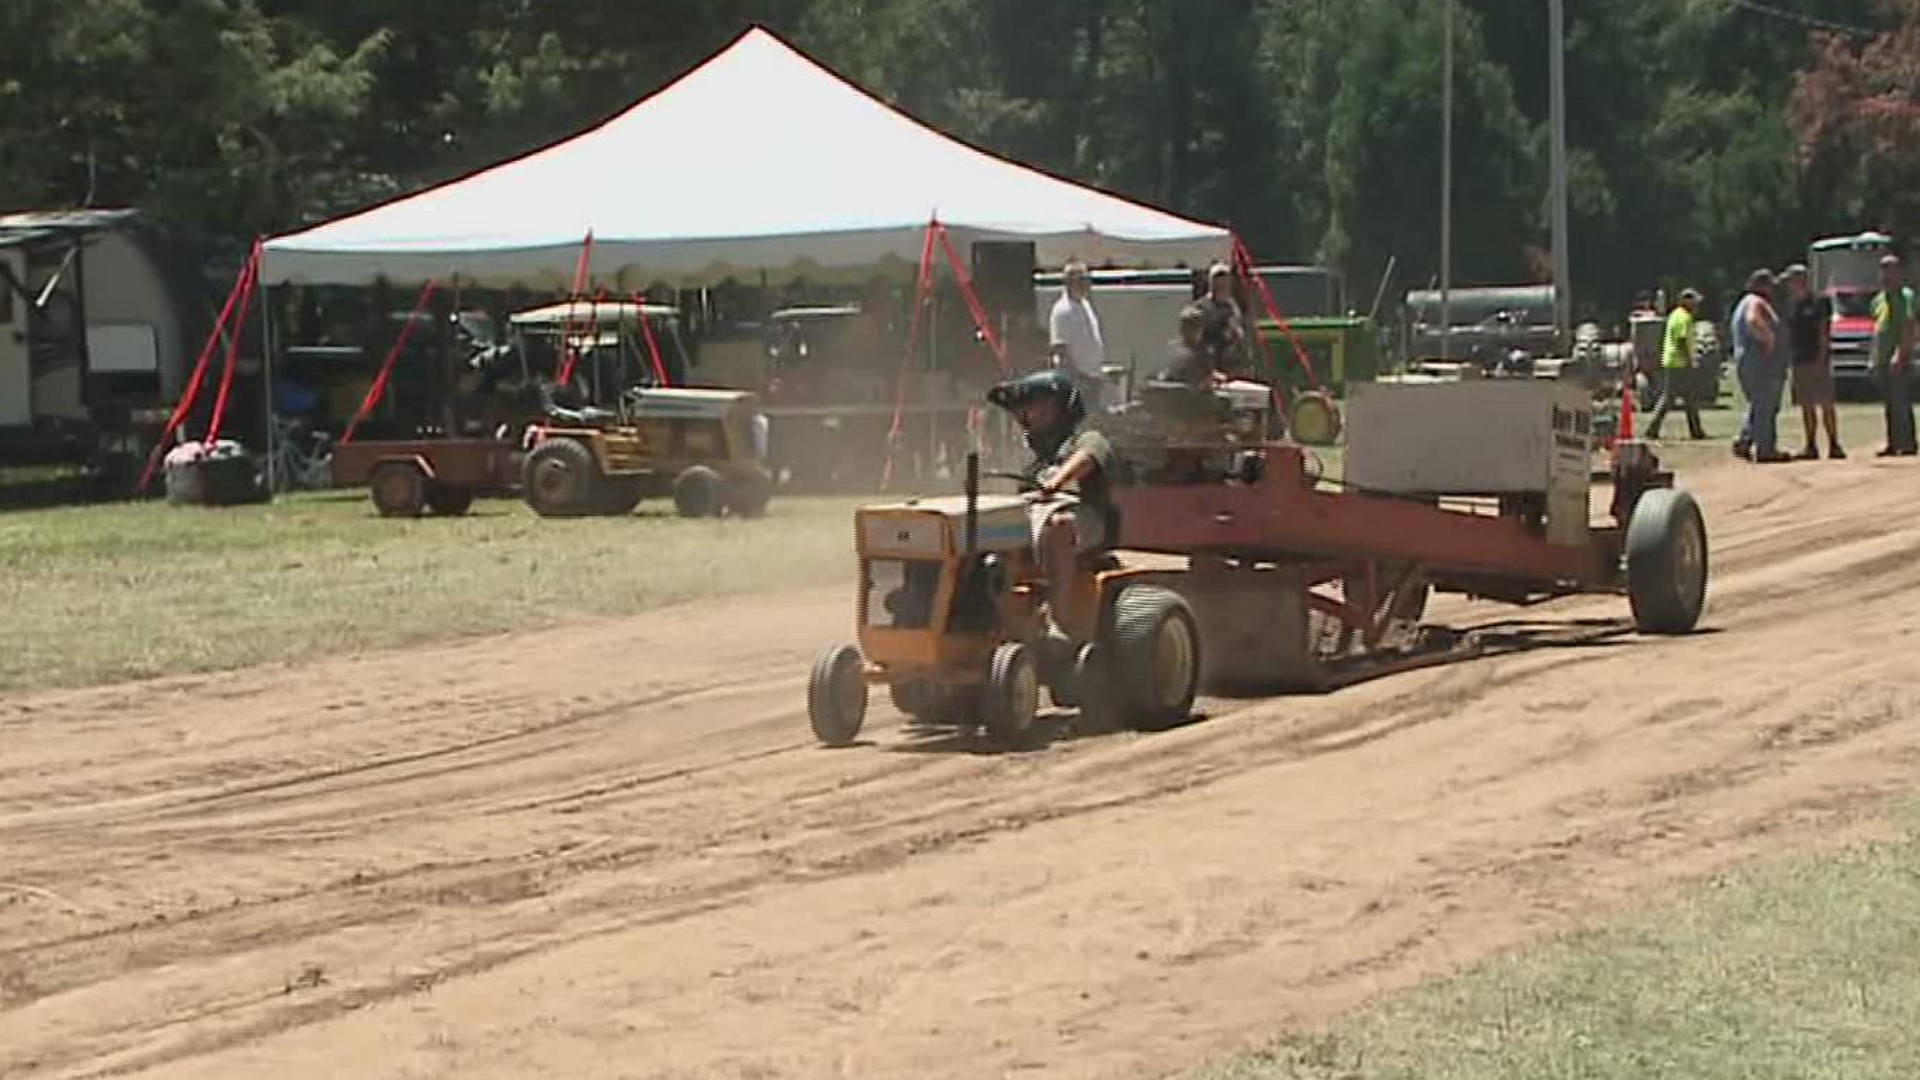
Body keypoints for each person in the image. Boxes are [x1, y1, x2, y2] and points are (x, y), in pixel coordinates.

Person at [984, 368, 1118, 632]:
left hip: (1087, 520)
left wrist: (1056, 482)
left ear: (1063, 408)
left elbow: (1088, 457)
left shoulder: (1086, 438)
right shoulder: (1031, 457)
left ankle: (1058, 618)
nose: (1031, 413)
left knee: (1058, 526)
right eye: (1027, 408)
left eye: (1041, 406)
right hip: (1033, 518)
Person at [1780, 263, 1844, 460]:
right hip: (1799, 359)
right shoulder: (1791, 304)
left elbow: (1824, 331)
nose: (1789, 284)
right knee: (1806, 404)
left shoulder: (1819, 301)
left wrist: (1821, 358)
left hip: (1817, 358)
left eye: (1791, 280)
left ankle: (1834, 444)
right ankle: (1811, 444)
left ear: (1801, 280)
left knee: (1826, 402)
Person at [1730, 268, 1788, 463]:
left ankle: (1744, 441)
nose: (1772, 288)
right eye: (1769, 284)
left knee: (1759, 403)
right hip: (1760, 360)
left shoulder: (1744, 302)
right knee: (1766, 403)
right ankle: (1765, 449)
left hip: (1748, 360)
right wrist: (1769, 338)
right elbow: (1753, 320)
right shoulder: (1755, 301)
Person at [1645, 287, 1708, 441]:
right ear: (1686, 301)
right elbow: (1680, 340)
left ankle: (1696, 431)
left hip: (1674, 361)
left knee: (1689, 397)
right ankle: (1652, 428)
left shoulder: (1675, 315)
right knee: (1669, 398)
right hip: (1678, 362)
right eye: (1694, 302)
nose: (1697, 305)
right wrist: (1688, 361)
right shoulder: (1683, 317)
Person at [1047, 261, 1110, 411]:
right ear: (1069, 282)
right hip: (1078, 381)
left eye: (1087, 280)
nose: (1086, 285)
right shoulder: (1063, 311)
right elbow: (1060, 350)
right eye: (1081, 280)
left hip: (1092, 377)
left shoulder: (1084, 304)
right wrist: (1076, 381)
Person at [1871, 253, 1918, 457]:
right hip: (1882, 358)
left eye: (1891, 270)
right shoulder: (1879, 299)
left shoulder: (1905, 296)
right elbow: (1877, 330)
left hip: (1899, 358)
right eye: (1883, 270)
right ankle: (1892, 443)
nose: (1886, 275)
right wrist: (1873, 358)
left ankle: (1907, 443)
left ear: (1899, 273)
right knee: (1889, 404)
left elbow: (1909, 327)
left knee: (1901, 402)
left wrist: (1900, 354)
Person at [1194, 262, 1247, 376]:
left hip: (1232, 362)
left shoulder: (1233, 306)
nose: (1221, 284)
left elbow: (1238, 332)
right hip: (1210, 364)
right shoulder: (1201, 306)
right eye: (1217, 280)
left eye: (1224, 280)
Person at [1157, 303, 1217, 388]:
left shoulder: (1204, 351)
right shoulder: (1178, 350)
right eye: (1190, 326)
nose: (1194, 331)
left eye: (1196, 327)